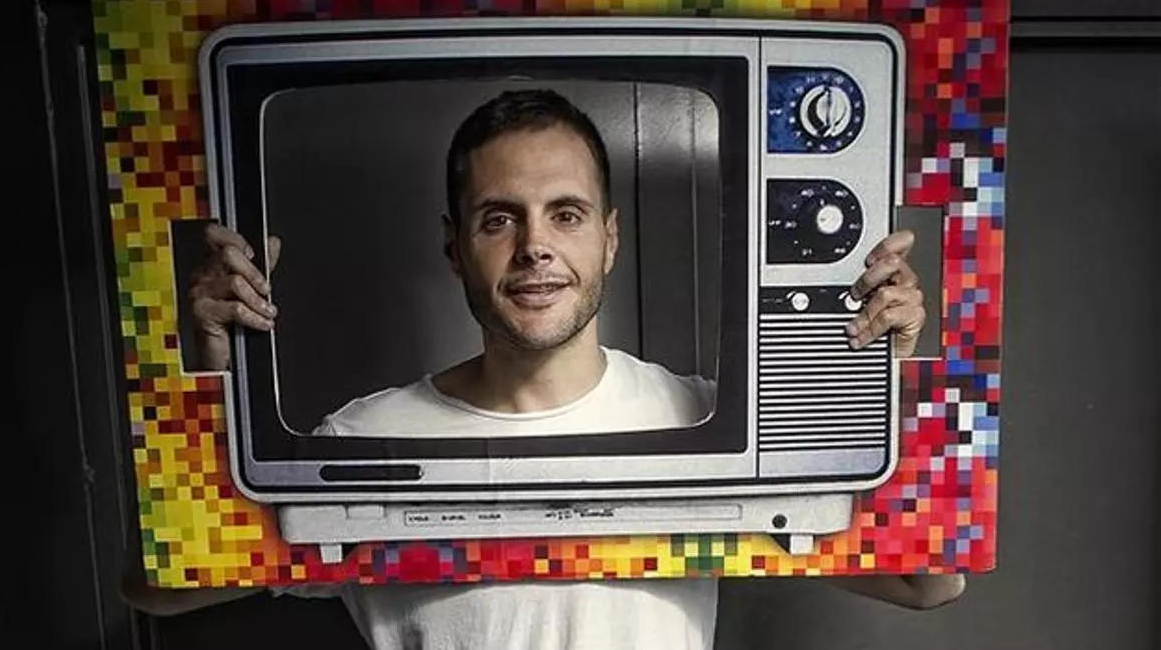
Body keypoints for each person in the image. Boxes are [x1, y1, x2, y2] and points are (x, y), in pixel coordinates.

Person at [126, 89, 965, 646]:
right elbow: (154, 587)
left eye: (565, 214)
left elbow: (930, 583)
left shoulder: (710, 425)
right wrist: (208, 378)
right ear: (454, 246)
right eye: (500, 218)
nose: (535, 247)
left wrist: (892, 376)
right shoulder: (361, 440)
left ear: (609, 238)